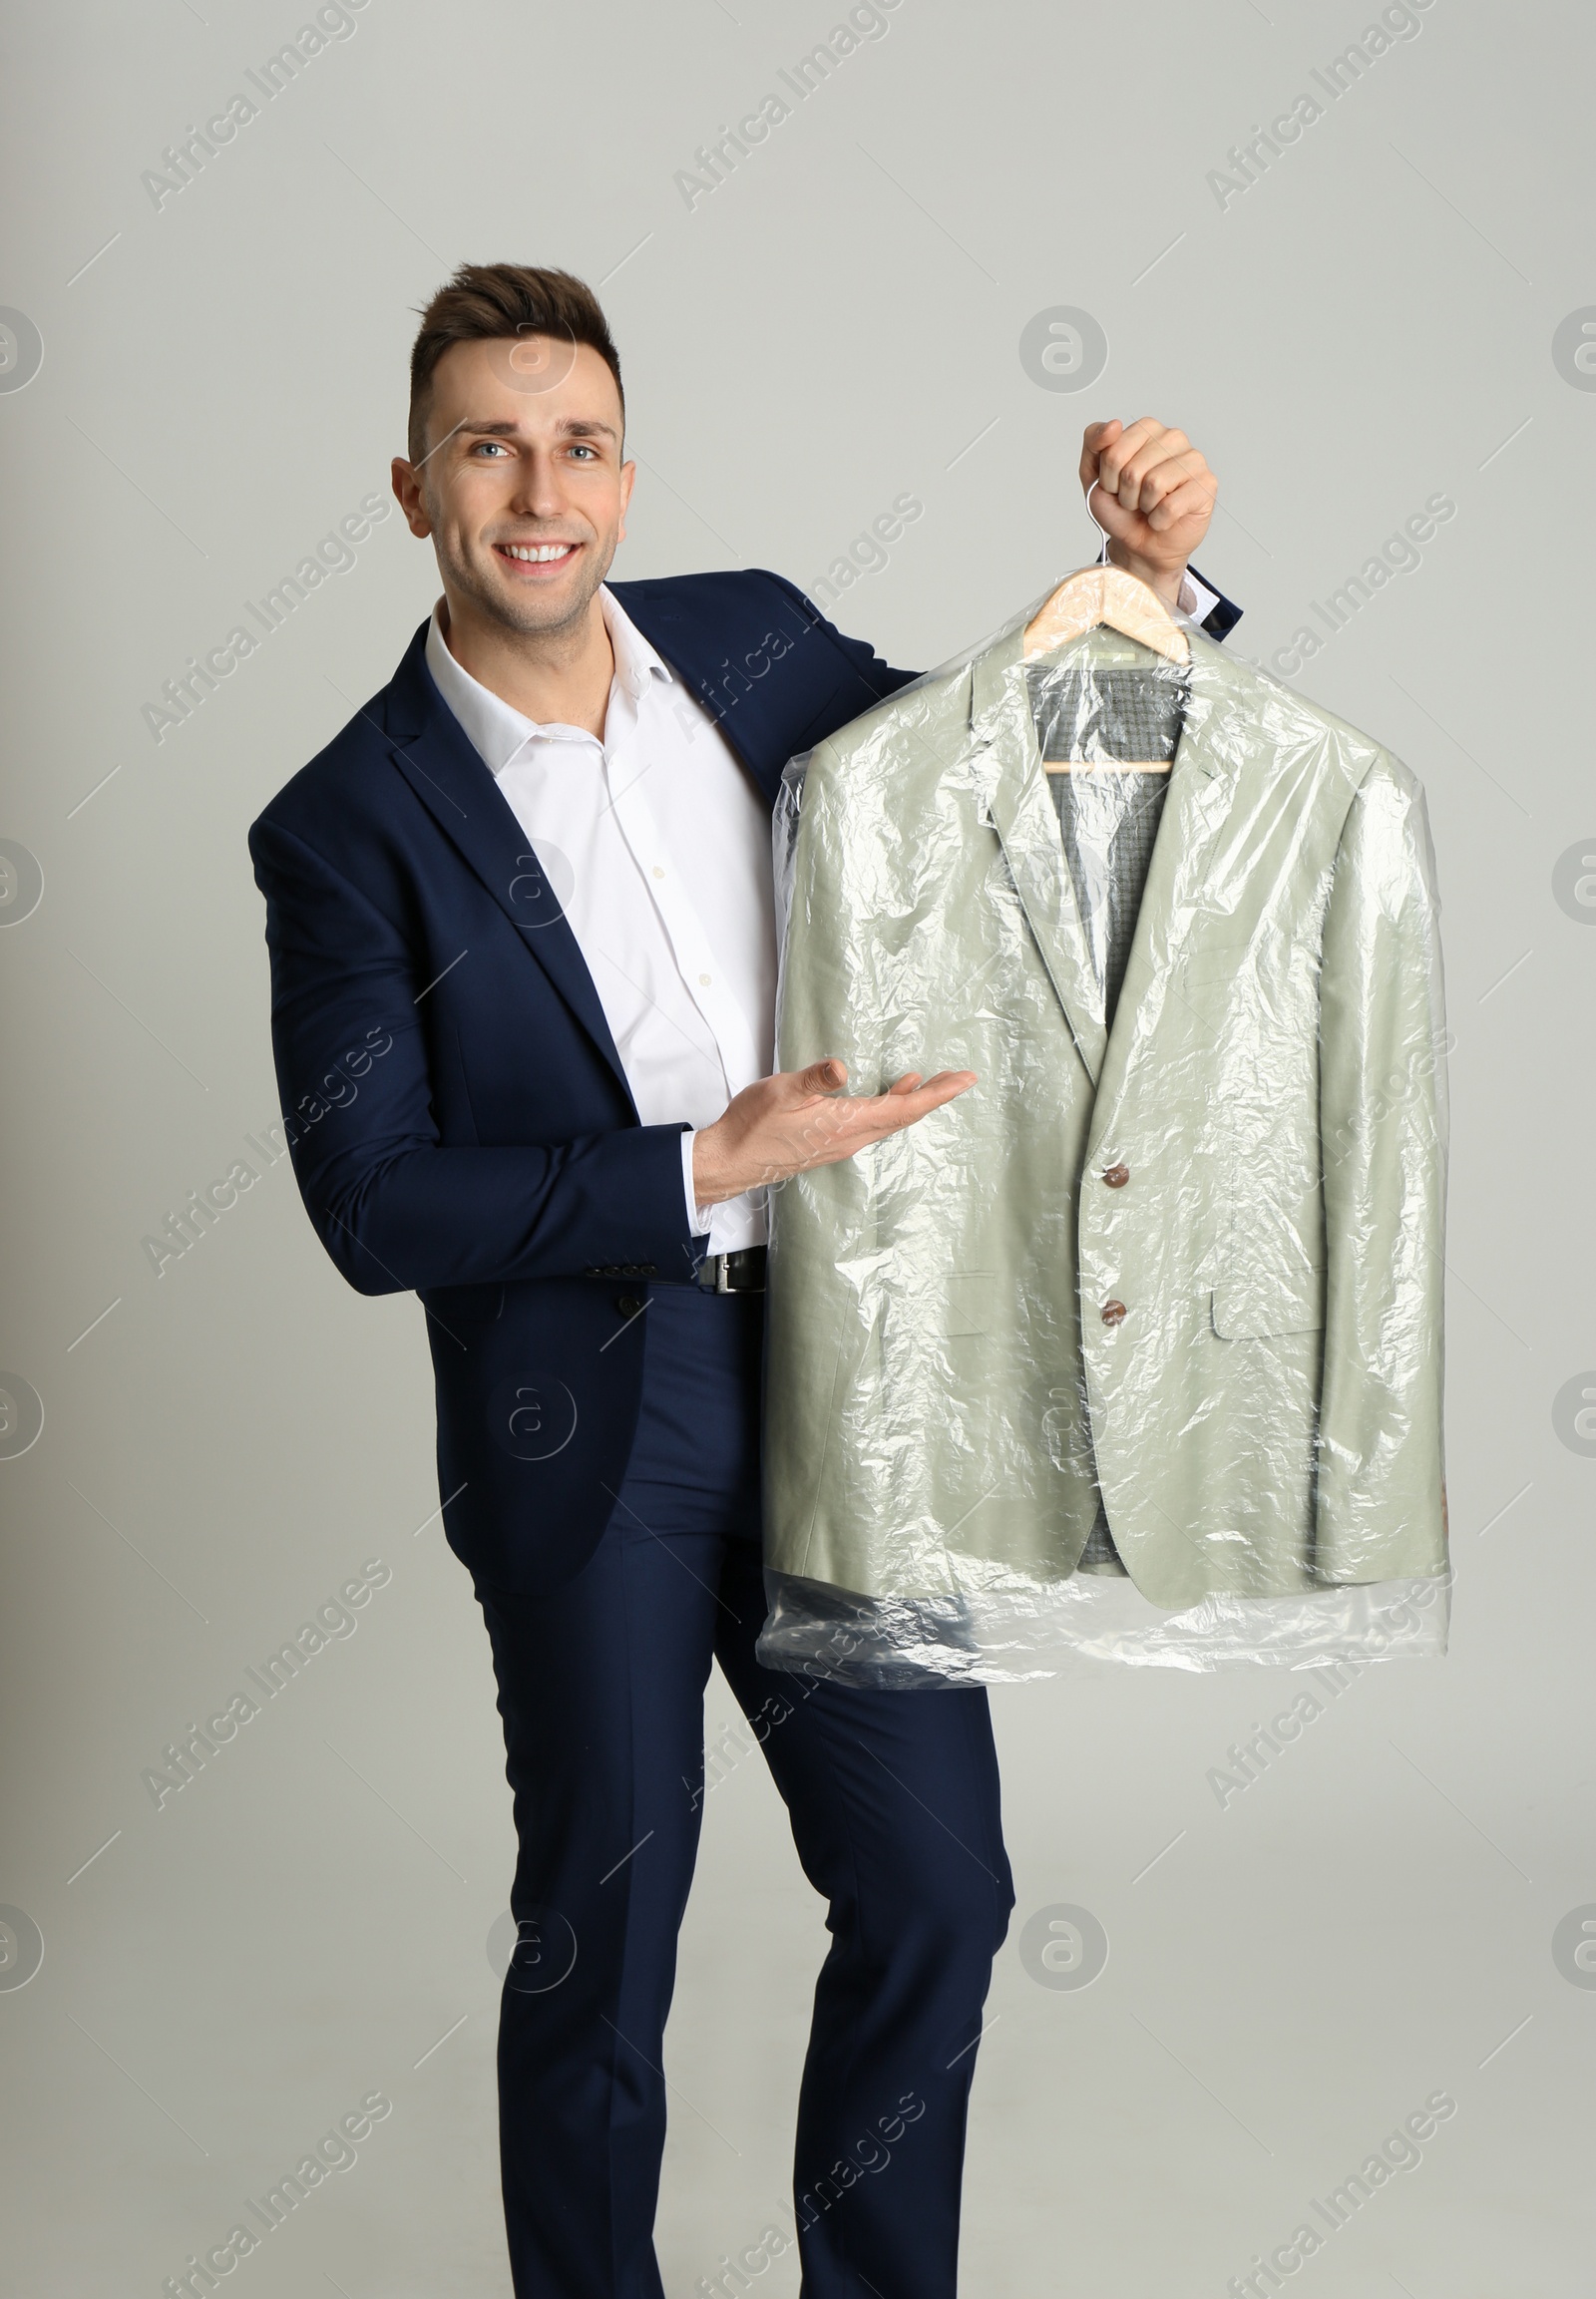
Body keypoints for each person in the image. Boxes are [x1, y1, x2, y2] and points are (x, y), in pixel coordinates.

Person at [247, 261, 1237, 2299]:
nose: (542, 487)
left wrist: (1142, 584)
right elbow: (376, 1204)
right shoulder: (347, 827)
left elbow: (1004, 792)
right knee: (603, 1936)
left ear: (627, 469)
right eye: (489, 446)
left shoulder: (751, 640)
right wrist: (703, 1162)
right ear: (414, 485)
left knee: (938, 1889)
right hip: (587, 1424)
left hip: (830, 1382)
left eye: (580, 443)